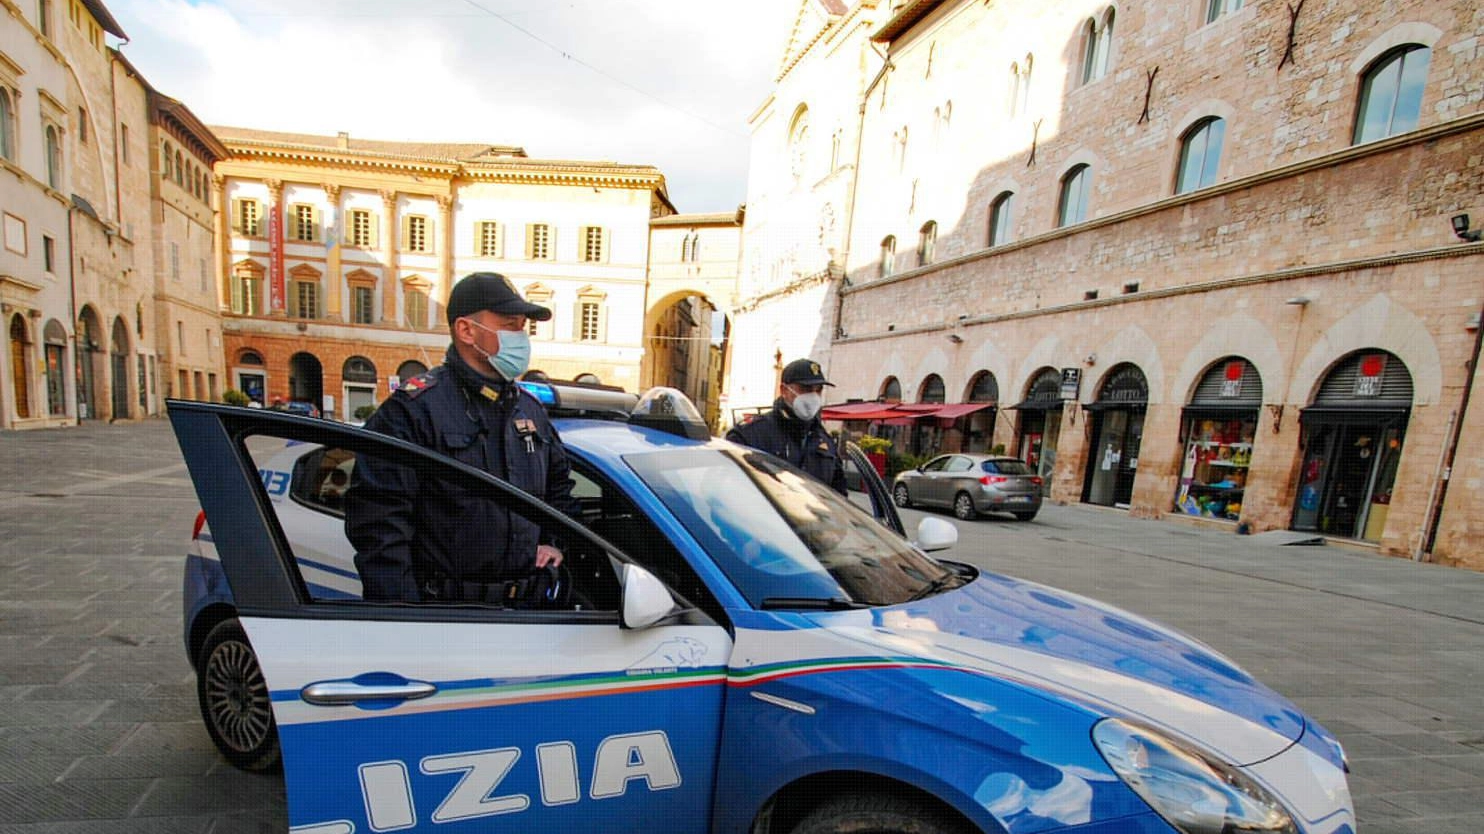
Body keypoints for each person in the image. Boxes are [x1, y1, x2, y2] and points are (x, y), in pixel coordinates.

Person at [345, 272, 579, 604]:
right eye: (510, 325)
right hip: (448, 614)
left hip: (526, 609)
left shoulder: (528, 410)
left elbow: (558, 491)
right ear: (467, 330)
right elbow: (379, 524)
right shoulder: (414, 411)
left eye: (522, 327)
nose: (520, 337)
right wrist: (402, 614)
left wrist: (554, 541)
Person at [726, 358, 849, 495]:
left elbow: (839, 498)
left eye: (818, 390)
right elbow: (728, 491)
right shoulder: (750, 435)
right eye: (805, 389)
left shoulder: (825, 441)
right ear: (784, 390)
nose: (813, 396)